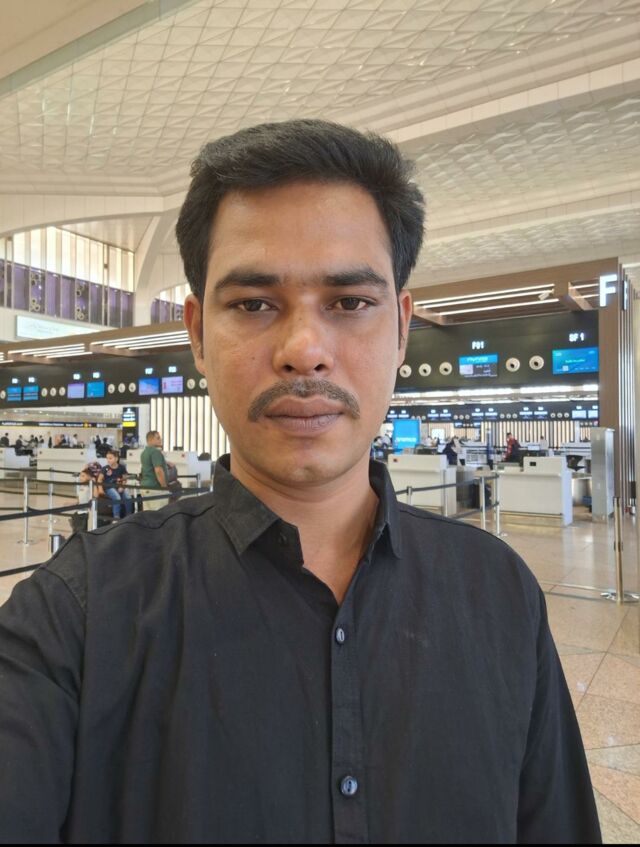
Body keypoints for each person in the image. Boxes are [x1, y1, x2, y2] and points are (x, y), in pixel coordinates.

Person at [0, 120, 600, 844]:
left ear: (402, 328)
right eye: (254, 304)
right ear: (197, 333)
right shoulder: (76, 616)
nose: (304, 351)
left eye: (349, 302)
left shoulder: (499, 595)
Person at [138, 430, 171, 510]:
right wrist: (164, 486)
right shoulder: (155, 452)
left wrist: (166, 462)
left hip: (145, 487)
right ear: (151, 440)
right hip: (155, 489)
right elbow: (158, 470)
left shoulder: (144, 452)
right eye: (158, 438)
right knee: (160, 514)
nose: (160, 440)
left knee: (148, 514)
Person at [98, 449, 133, 521]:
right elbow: (99, 480)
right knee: (117, 498)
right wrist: (100, 489)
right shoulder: (105, 468)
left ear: (116, 458)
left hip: (119, 486)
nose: (108, 460)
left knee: (128, 498)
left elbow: (124, 479)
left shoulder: (121, 468)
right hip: (109, 488)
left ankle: (129, 516)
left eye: (110, 458)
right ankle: (116, 517)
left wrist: (122, 487)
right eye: (107, 458)